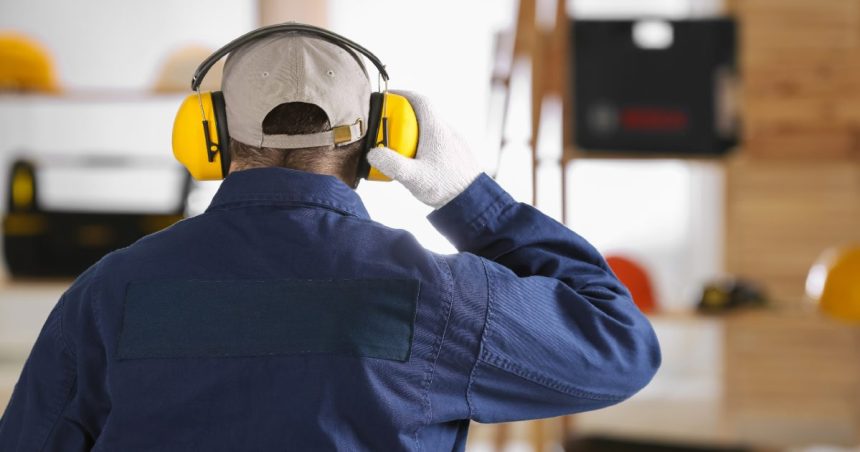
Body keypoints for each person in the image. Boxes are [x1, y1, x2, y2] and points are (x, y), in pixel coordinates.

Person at [0, 28, 660, 451]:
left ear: (209, 133)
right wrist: (469, 200)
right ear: (382, 136)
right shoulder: (440, 295)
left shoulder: (109, 290)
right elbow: (621, 347)